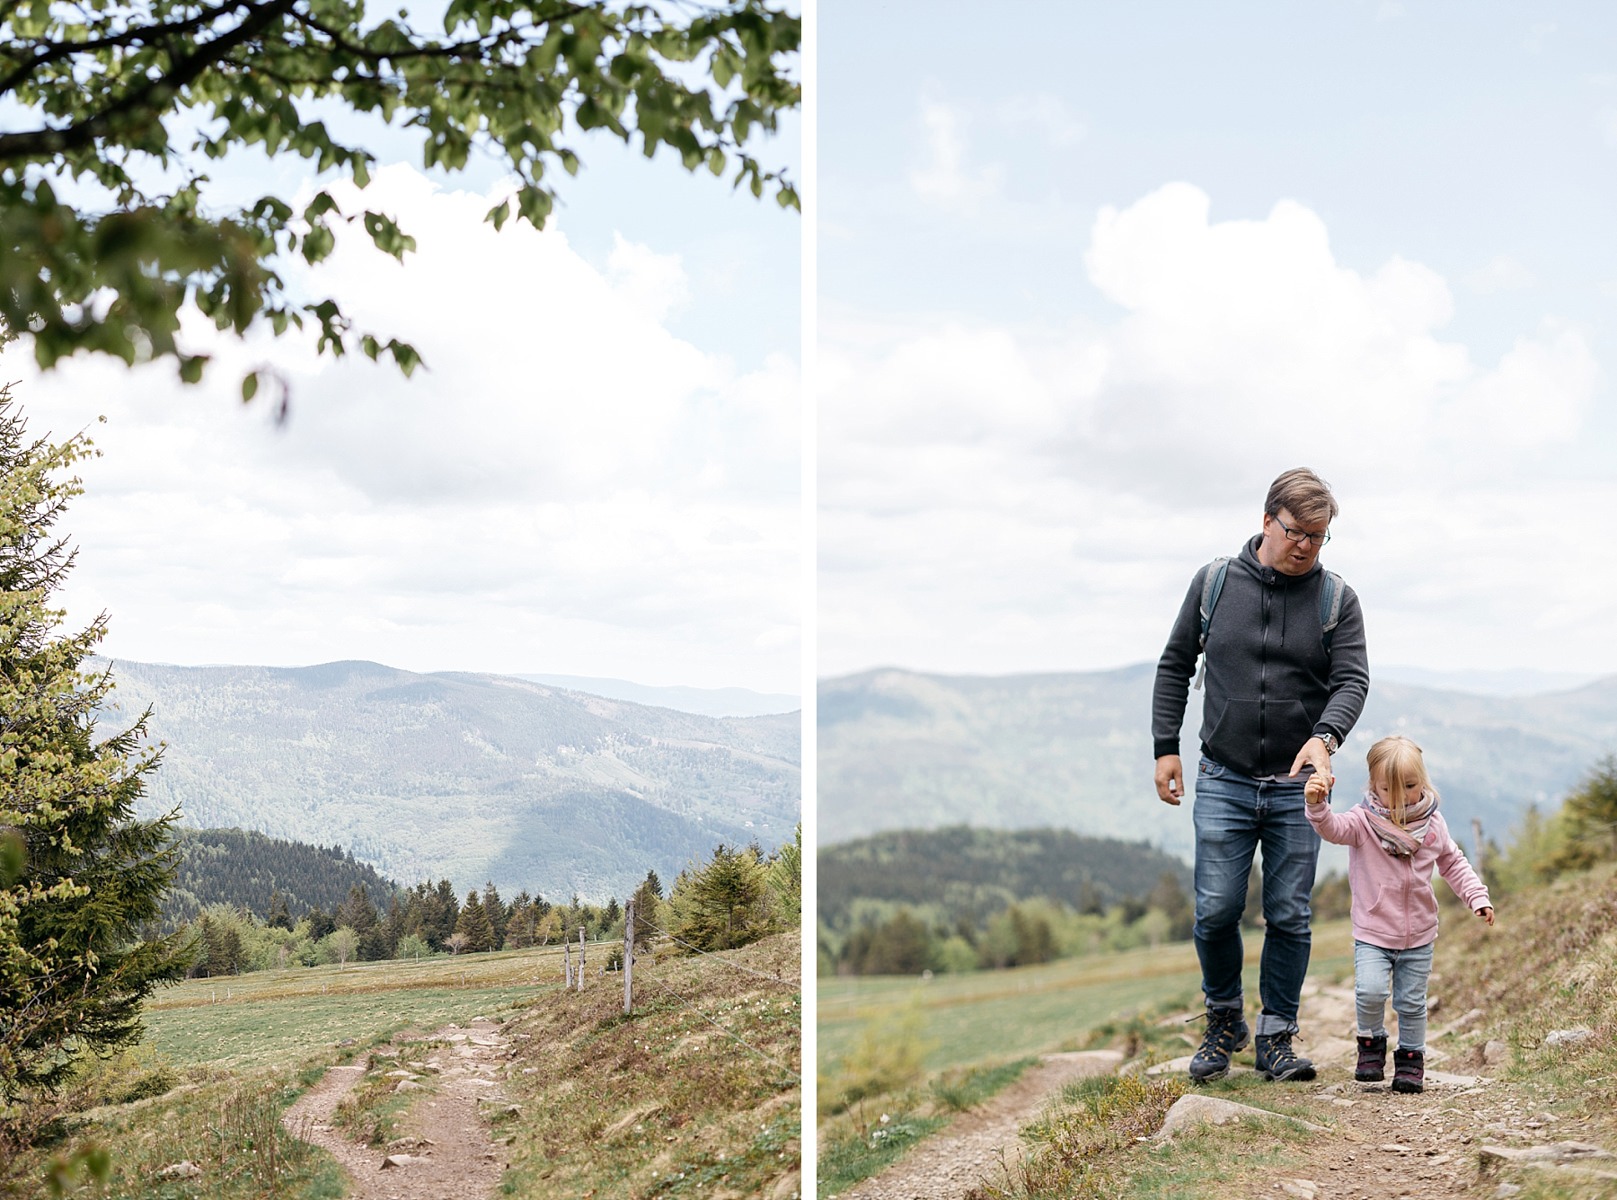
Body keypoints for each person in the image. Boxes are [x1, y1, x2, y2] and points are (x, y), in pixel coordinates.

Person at [1153, 467, 1369, 1083]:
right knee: (1216, 912)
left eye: (1319, 537)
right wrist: (1164, 746)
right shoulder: (1215, 583)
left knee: (1289, 913)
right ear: (1266, 520)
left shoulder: (1336, 600)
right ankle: (1224, 1021)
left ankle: (1277, 1035)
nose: (1306, 546)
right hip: (1222, 776)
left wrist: (1325, 738)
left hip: (1299, 788)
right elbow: (1175, 663)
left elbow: (1352, 679)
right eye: (1297, 531)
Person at [1305, 735, 1494, 1093]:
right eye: (1388, 789)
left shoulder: (1433, 825)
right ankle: (1371, 1045)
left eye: (1409, 786)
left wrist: (1476, 896)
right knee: (1370, 992)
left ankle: (1410, 1060)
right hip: (1373, 932)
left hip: (1419, 933)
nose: (1401, 797)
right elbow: (1333, 829)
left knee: (1410, 1001)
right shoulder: (1363, 822)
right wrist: (1318, 806)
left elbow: (1452, 863)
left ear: (1422, 782)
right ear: (1373, 787)